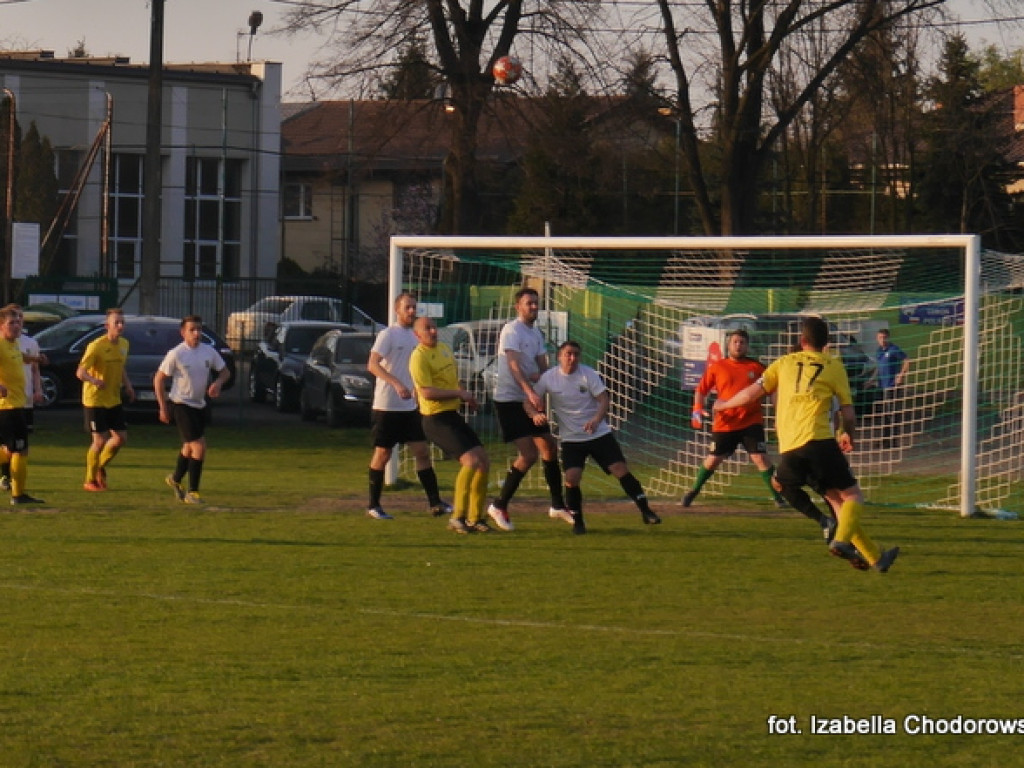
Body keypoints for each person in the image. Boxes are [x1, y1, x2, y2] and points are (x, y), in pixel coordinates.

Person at [712, 316, 899, 573]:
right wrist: (848, 434)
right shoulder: (833, 365)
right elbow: (849, 414)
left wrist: (723, 404)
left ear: (801, 341)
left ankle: (875, 558)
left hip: (790, 448)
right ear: (827, 343)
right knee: (853, 496)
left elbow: (749, 395)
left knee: (830, 499)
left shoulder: (783, 363)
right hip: (819, 441)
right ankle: (841, 541)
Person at [526, 340, 661, 535]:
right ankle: (578, 522)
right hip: (572, 439)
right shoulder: (549, 378)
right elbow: (528, 402)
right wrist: (534, 414)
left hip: (598, 434)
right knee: (572, 478)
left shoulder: (588, 374)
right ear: (559, 357)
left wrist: (597, 420)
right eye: (568, 354)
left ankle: (646, 510)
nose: (572, 358)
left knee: (620, 469)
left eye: (576, 355)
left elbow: (603, 399)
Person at [487, 287, 570, 532]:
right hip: (509, 400)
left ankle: (557, 505)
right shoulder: (511, 330)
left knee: (549, 446)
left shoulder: (536, 334)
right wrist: (530, 390)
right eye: (529, 303)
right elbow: (513, 365)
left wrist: (550, 386)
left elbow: (543, 366)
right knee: (529, 454)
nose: (534, 307)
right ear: (518, 307)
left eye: (536, 303)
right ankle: (498, 505)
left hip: (528, 399)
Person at [366, 292, 452, 520]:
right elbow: (372, 365)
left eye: (415, 307)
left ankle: (435, 502)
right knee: (383, 453)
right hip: (387, 406)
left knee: (422, 452)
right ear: (397, 310)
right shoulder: (388, 335)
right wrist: (396, 383)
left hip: (411, 407)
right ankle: (373, 505)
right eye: (408, 308)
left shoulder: (417, 337)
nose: (412, 311)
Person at [682, 328, 786, 509]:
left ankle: (778, 497)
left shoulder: (757, 367)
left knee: (761, 458)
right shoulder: (717, 367)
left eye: (742, 342)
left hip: (751, 422)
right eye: (735, 342)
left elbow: (772, 391)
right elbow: (701, 390)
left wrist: (778, 413)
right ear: (728, 345)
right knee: (714, 459)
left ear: (747, 346)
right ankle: (693, 491)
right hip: (725, 423)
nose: (738, 345)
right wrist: (697, 409)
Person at [409, 316, 491, 534]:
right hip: (435, 419)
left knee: (483, 461)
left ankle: (477, 518)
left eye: (434, 327)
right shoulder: (418, 357)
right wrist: (458, 393)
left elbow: (455, 381)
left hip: (451, 415)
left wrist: (466, 395)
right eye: (427, 329)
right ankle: (457, 517)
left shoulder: (445, 349)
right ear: (417, 335)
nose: (433, 331)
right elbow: (426, 392)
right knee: (471, 461)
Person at [153, 315, 231, 505]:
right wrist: (163, 408)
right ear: (183, 333)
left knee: (189, 447)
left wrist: (218, 383)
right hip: (180, 405)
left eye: (199, 329)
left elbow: (225, 372)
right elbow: (158, 379)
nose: (197, 333)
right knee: (199, 447)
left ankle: (175, 479)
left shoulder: (208, 352)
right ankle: (193, 491)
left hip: (199, 405)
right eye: (192, 330)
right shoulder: (176, 354)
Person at [76, 307, 134, 491]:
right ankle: (89, 480)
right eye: (116, 322)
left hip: (113, 399)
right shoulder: (96, 346)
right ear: (106, 325)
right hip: (94, 399)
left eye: (122, 322)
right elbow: (80, 372)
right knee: (99, 440)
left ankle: (99, 466)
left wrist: (128, 385)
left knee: (120, 438)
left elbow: (121, 367)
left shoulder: (124, 344)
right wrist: (94, 380)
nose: (120, 325)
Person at [0, 306, 45, 505]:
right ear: (1, 326)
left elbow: (20, 359)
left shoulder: (13, 345)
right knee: (20, 449)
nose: (17, 326)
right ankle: (18, 495)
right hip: (7, 406)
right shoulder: (1, 345)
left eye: (18, 322)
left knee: (13, 450)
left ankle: (18, 494)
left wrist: (36, 359)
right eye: (12, 323)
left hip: (18, 404)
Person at [866, 328, 911, 447]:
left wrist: (901, 375)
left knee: (892, 413)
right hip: (882, 386)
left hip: (892, 386)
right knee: (884, 414)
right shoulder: (879, 351)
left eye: (884, 337)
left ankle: (893, 440)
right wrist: (871, 381)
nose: (883, 340)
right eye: (880, 338)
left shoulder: (894, 349)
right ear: (877, 339)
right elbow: (879, 368)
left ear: (888, 337)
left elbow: (907, 360)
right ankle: (885, 439)